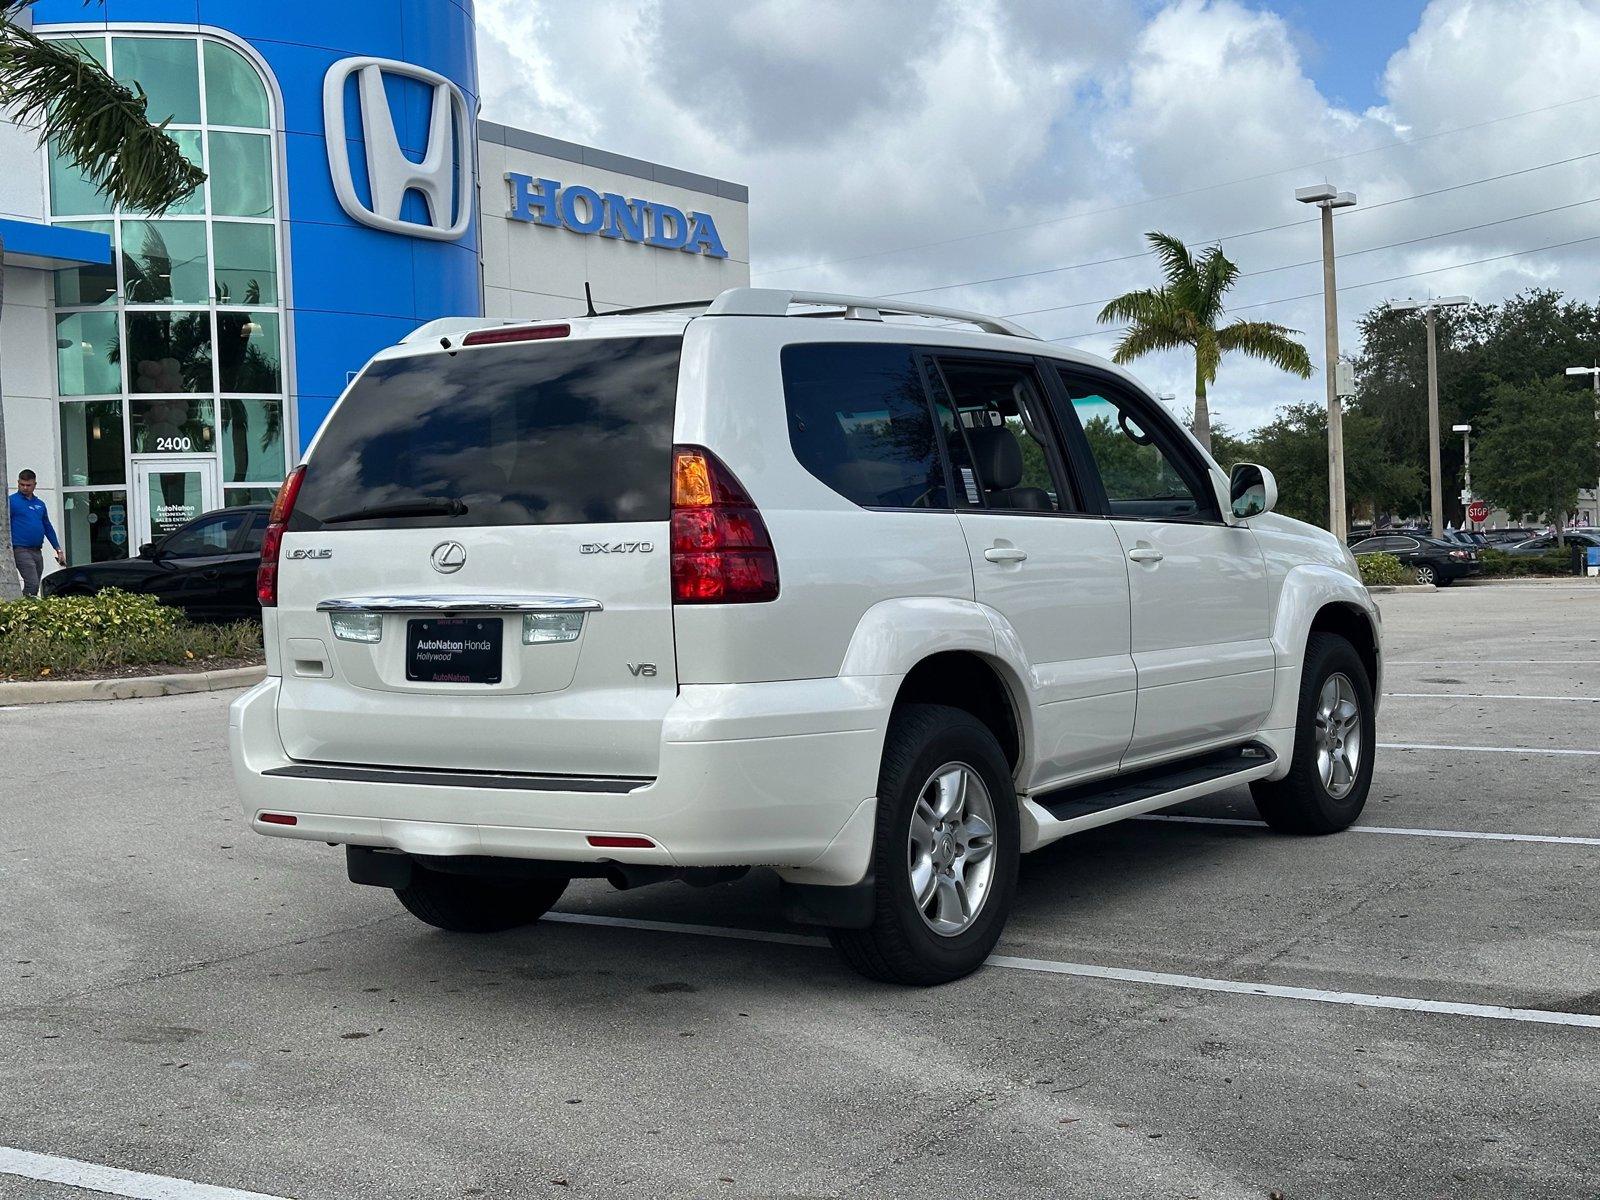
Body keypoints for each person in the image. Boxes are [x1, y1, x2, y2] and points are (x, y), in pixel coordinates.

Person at [9, 470, 65, 598]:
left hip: (36, 550)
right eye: (22, 484)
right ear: (18, 483)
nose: (24, 487)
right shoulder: (11, 501)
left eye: (28, 485)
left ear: (35, 484)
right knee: (32, 583)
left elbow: (47, 527)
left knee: (36, 583)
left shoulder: (40, 504)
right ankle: (23, 610)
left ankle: (24, 608)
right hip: (20, 549)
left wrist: (58, 549)